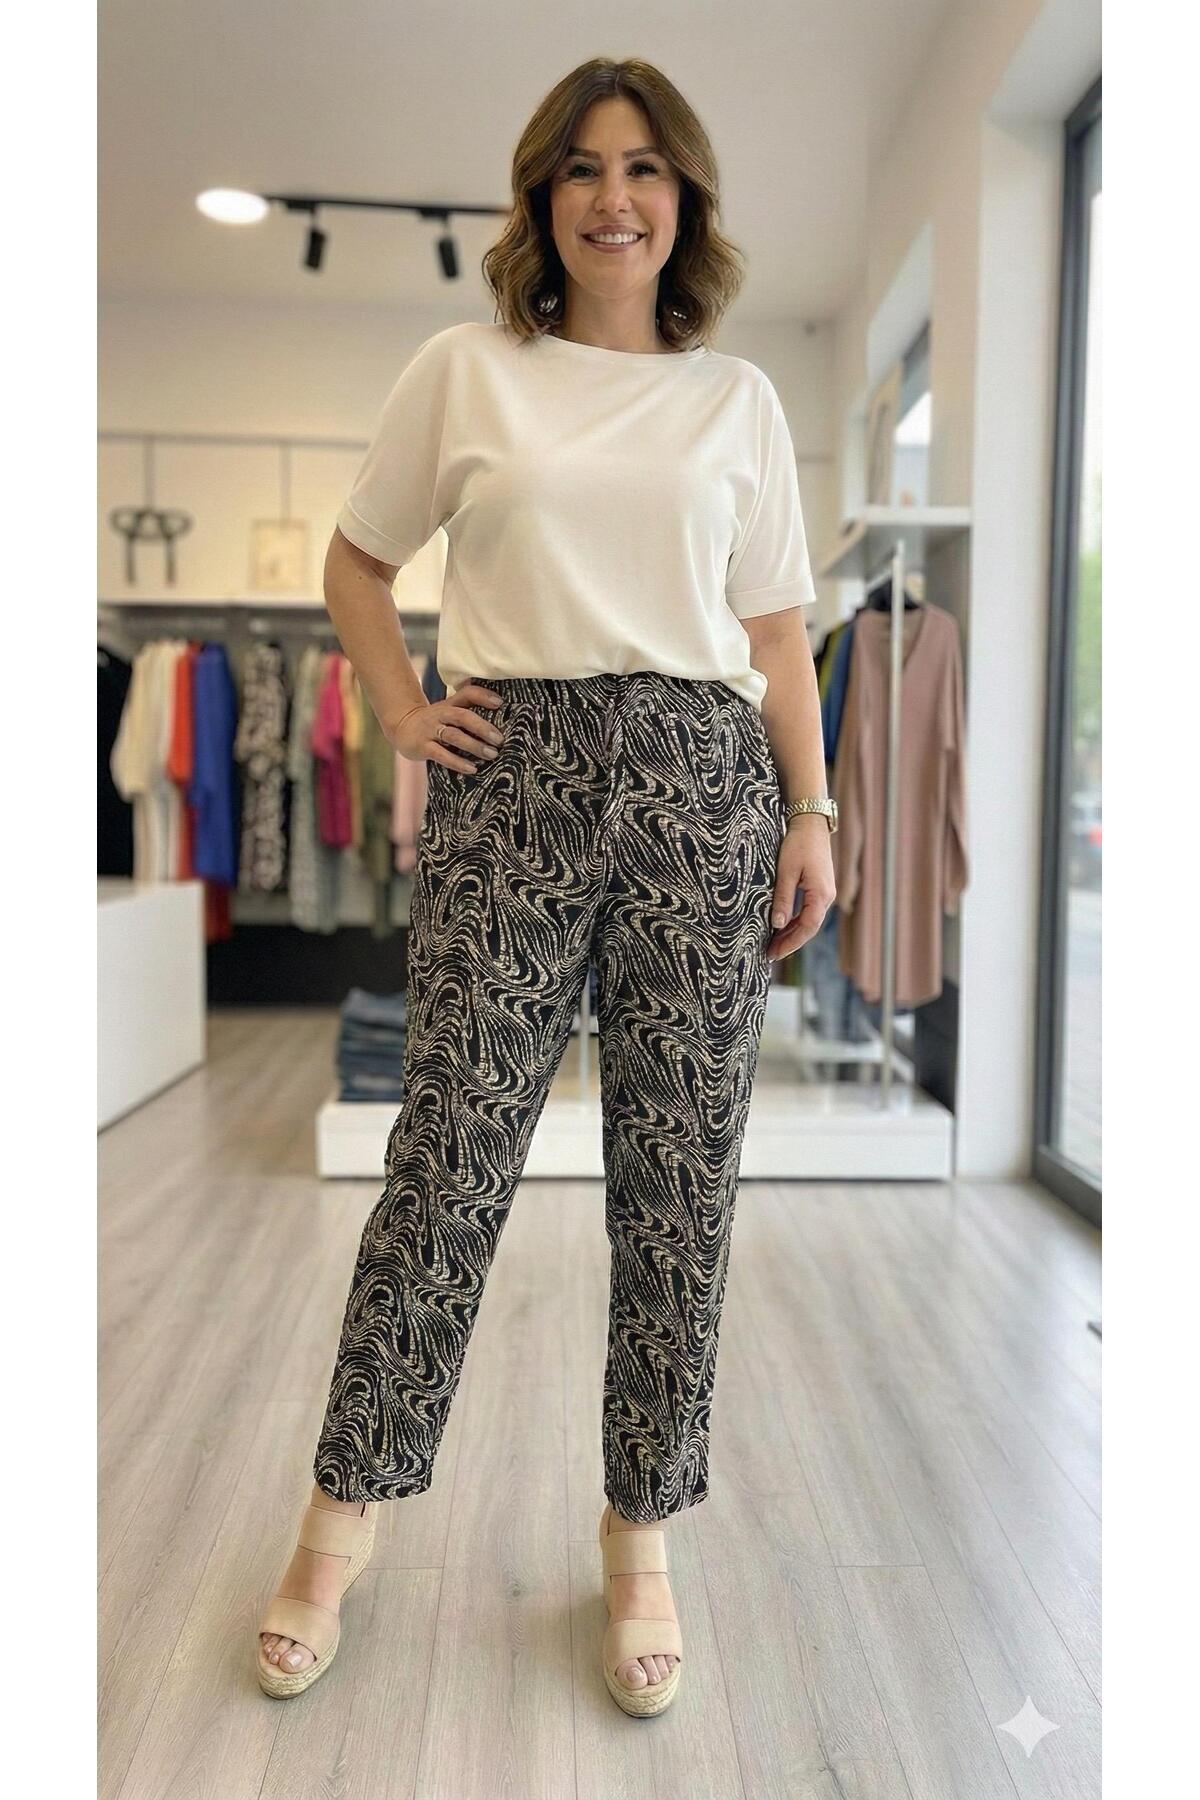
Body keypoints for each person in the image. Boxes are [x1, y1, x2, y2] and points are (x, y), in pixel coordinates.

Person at [256, 55, 835, 1718]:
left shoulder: (738, 401)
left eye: (645, 168)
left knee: (679, 1183)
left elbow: (777, 629)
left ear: (685, 200)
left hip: (701, 787)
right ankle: (337, 1526)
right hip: (511, 783)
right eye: (582, 168)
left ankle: (639, 1538)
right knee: (446, 1162)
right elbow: (358, 559)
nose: (613, 197)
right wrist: (397, 707)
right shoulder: (467, 370)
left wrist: (814, 808)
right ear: (540, 198)